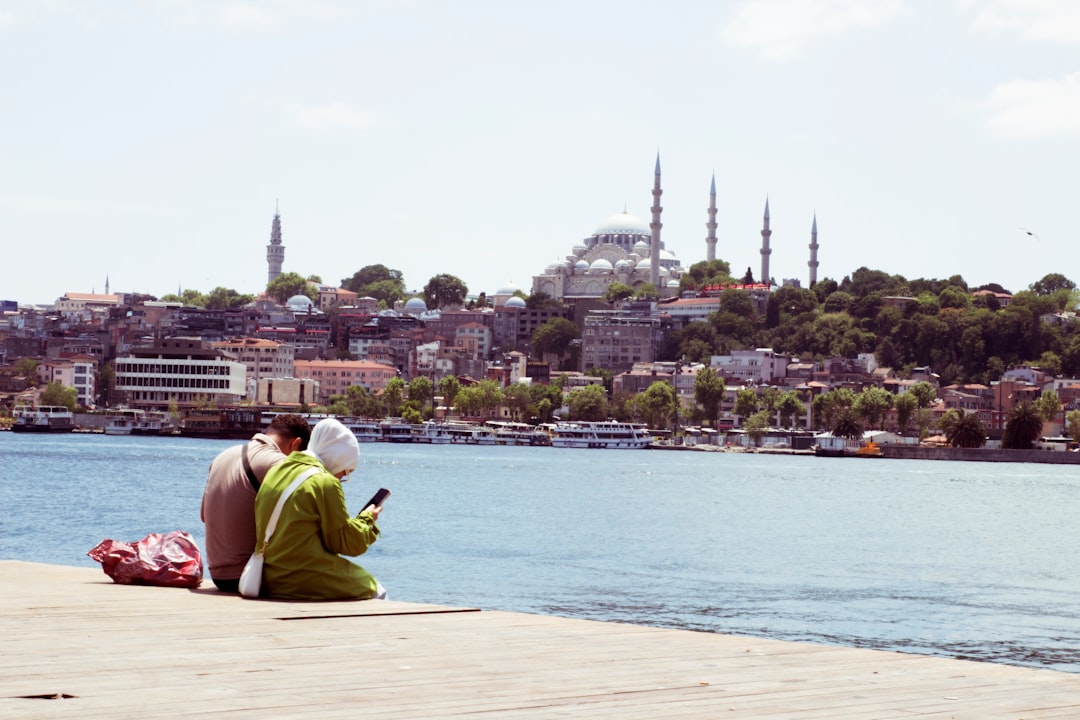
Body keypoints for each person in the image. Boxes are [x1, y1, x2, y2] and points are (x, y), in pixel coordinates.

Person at [254, 417, 386, 600]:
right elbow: (343, 542)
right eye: (346, 471)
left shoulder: (278, 471)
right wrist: (367, 519)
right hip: (304, 577)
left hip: (268, 577)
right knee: (376, 590)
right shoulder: (325, 482)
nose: (342, 477)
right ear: (338, 460)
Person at [201, 413, 311, 592]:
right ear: (296, 444)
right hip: (252, 577)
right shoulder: (279, 462)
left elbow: (204, 516)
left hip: (218, 576)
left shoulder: (223, 456)